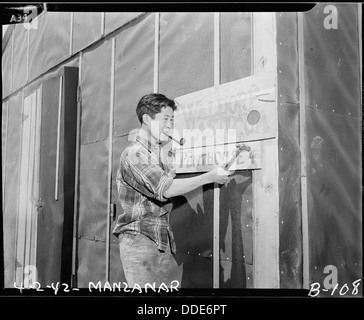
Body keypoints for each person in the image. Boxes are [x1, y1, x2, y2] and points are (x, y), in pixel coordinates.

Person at [112, 93, 231, 288]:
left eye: (172, 120)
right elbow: (166, 189)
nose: (170, 125)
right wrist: (211, 176)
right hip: (140, 240)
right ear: (147, 120)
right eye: (165, 119)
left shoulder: (156, 156)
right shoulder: (136, 154)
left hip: (159, 240)